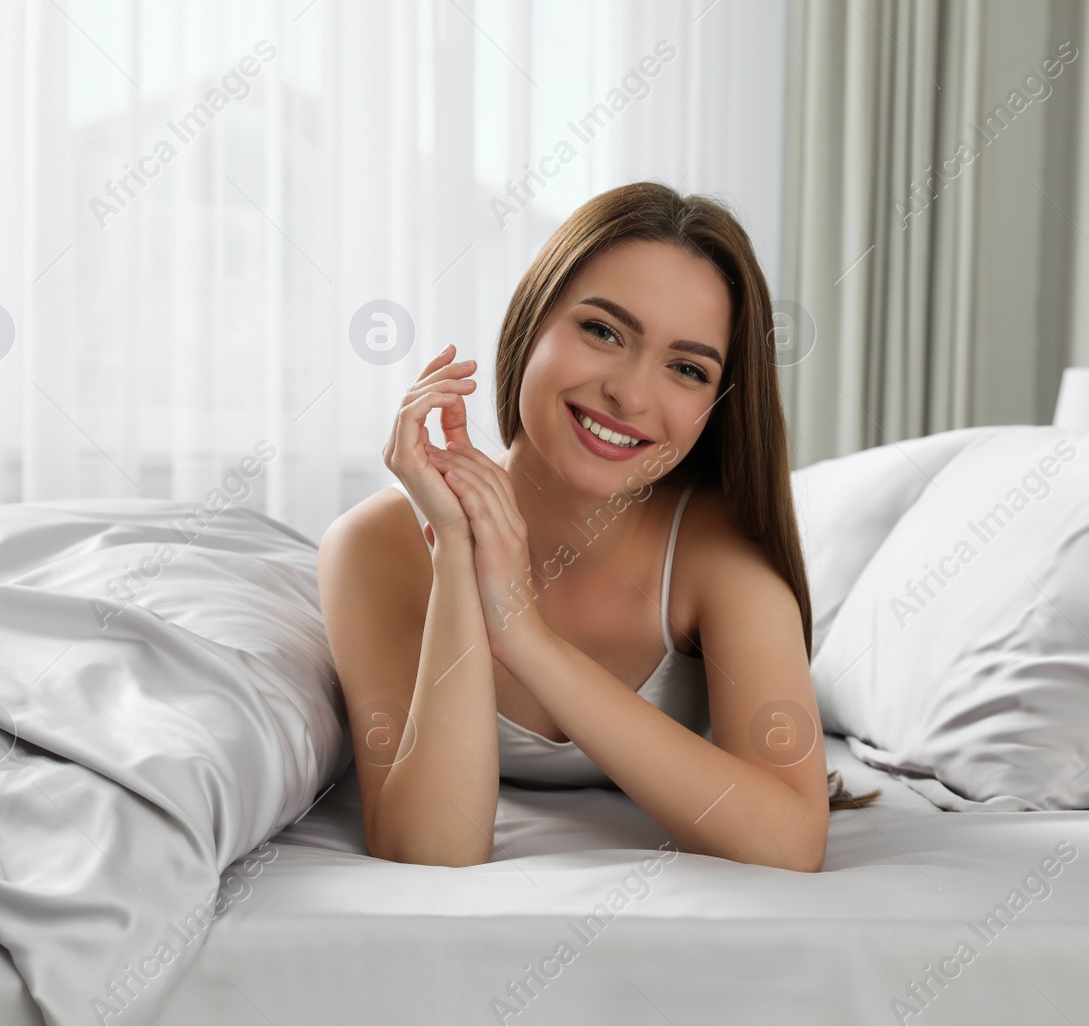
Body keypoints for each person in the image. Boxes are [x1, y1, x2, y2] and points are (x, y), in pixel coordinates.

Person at [318, 181, 878, 872]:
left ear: (717, 405)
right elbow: (431, 845)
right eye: (603, 330)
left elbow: (790, 842)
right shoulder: (374, 546)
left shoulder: (718, 557)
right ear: (532, 323)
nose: (631, 393)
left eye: (686, 368)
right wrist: (459, 555)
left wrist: (522, 633)